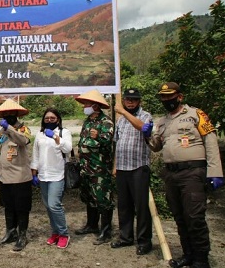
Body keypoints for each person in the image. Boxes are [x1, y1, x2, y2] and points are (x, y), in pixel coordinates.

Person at [145, 82, 224, 268]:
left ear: (179, 96)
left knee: (194, 217)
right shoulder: (163, 122)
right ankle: (188, 255)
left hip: (192, 173)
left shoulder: (195, 115)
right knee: (179, 217)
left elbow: (210, 142)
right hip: (171, 174)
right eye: (163, 97)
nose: (166, 100)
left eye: (170, 96)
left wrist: (215, 171)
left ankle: (201, 259)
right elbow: (156, 147)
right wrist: (147, 135)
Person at [111, 88, 153, 255]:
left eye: (133, 100)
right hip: (122, 167)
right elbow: (117, 143)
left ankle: (144, 241)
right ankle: (125, 237)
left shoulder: (145, 116)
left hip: (138, 167)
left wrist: (122, 112)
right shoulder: (120, 121)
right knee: (124, 205)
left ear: (139, 102)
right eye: (127, 99)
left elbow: (143, 128)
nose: (130, 102)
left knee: (141, 207)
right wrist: (115, 165)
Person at [74, 89, 115, 245]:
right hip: (86, 168)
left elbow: (107, 143)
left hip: (100, 169)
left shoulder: (106, 122)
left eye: (87, 104)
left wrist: (98, 136)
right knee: (89, 197)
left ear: (96, 106)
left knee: (103, 199)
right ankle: (92, 225)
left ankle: (106, 231)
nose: (84, 106)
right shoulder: (88, 121)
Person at [0, 99, 33, 252]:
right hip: (5, 176)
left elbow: (23, 141)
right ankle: (10, 232)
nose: (8, 116)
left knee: (21, 207)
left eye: (11, 114)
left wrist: (9, 128)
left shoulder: (24, 128)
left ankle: (22, 235)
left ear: (16, 114)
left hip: (20, 177)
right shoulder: (2, 131)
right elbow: (1, 151)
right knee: (8, 206)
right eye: (5, 114)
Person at [31, 108, 73, 249]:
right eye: (47, 118)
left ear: (58, 119)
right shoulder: (39, 134)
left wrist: (56, 138)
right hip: (43, 175)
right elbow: (36, 154)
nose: (49, 120)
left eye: (52, 118)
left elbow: (67, 149)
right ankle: (55, 232)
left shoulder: (64, 132)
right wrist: (34, 173)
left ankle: (64, 234)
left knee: (54, 205)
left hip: (58, 174)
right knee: (48, 206)